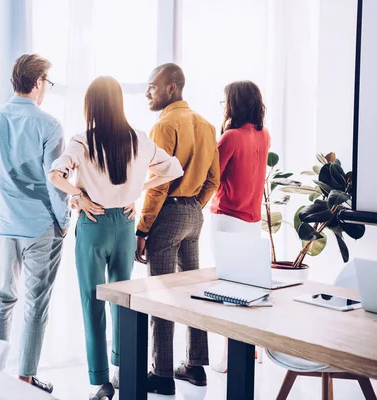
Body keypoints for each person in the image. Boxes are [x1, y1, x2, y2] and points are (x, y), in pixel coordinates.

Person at [48, 76, 183, 400]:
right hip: (124, 223)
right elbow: (173, 169)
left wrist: (78, 194)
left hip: (93, 226)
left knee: (91, 302)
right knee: (123, 302)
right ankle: (124, 371)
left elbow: (55, 175)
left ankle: (101, 381)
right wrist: (137, 190)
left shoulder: (82, 141)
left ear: (90, 106)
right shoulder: (138, 138)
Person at [0, 53, 70, 393]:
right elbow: (56, 182)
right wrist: (64, 220)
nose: (47, 90)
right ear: (38, 82)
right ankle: (26, 378)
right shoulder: (49, 125)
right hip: (41, 225)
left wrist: (7, 183)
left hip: (3, 222)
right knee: (35, 302)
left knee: (1, 298)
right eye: (48, 83)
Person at [135, 63, 219, 395]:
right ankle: (196, 367)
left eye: (152, 87)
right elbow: (213, 180)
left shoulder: (165, 125)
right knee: (190, 291)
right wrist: (191, 206)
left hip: (167, 214)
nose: (147, 93)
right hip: (194, 215)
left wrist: (142, 230)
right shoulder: (206, 125)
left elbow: (157, 184)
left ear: (172, 88)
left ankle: (163, 373)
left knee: (161, 294)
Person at [210, 80, 271, 373]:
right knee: (247, 286)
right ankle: (253, 349)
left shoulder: (231, 137)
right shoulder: (264, 135)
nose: (223, 107)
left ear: (233, 103)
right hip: (253, 219)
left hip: (228, 217)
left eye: (224, 102)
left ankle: (227, 356)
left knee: (228, 288)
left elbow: (213, 178)